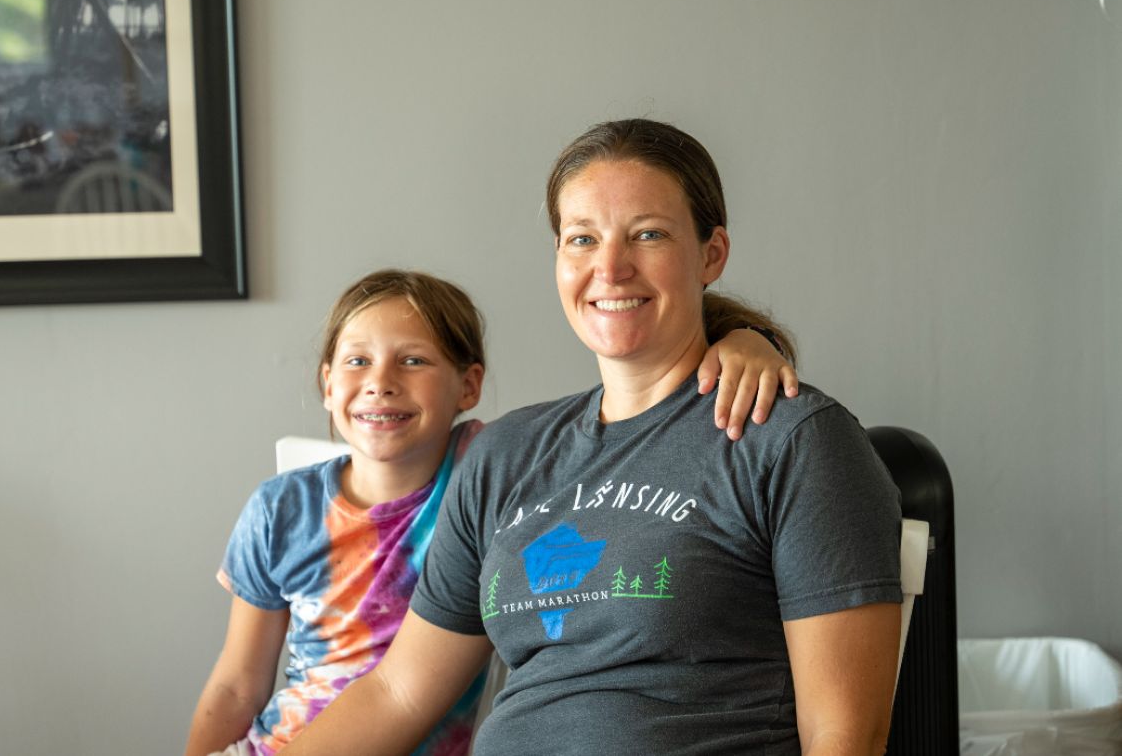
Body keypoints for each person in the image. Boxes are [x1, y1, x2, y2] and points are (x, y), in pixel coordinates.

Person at [279, 120, 904, 756]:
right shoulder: (504, 455)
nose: (610, 267)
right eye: (582, 239)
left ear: (711, 253)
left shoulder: (791, 442)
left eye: (648, 234)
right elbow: (398, 693)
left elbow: (846, 737)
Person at [185, 267, 795, 756]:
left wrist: (745, 336)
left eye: (414, 360)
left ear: (468, 386)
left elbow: (607, 431)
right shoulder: (279, 510)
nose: (380, 383)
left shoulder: (491, 471)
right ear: (326, 383)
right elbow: (238, 683)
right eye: (356, 361)